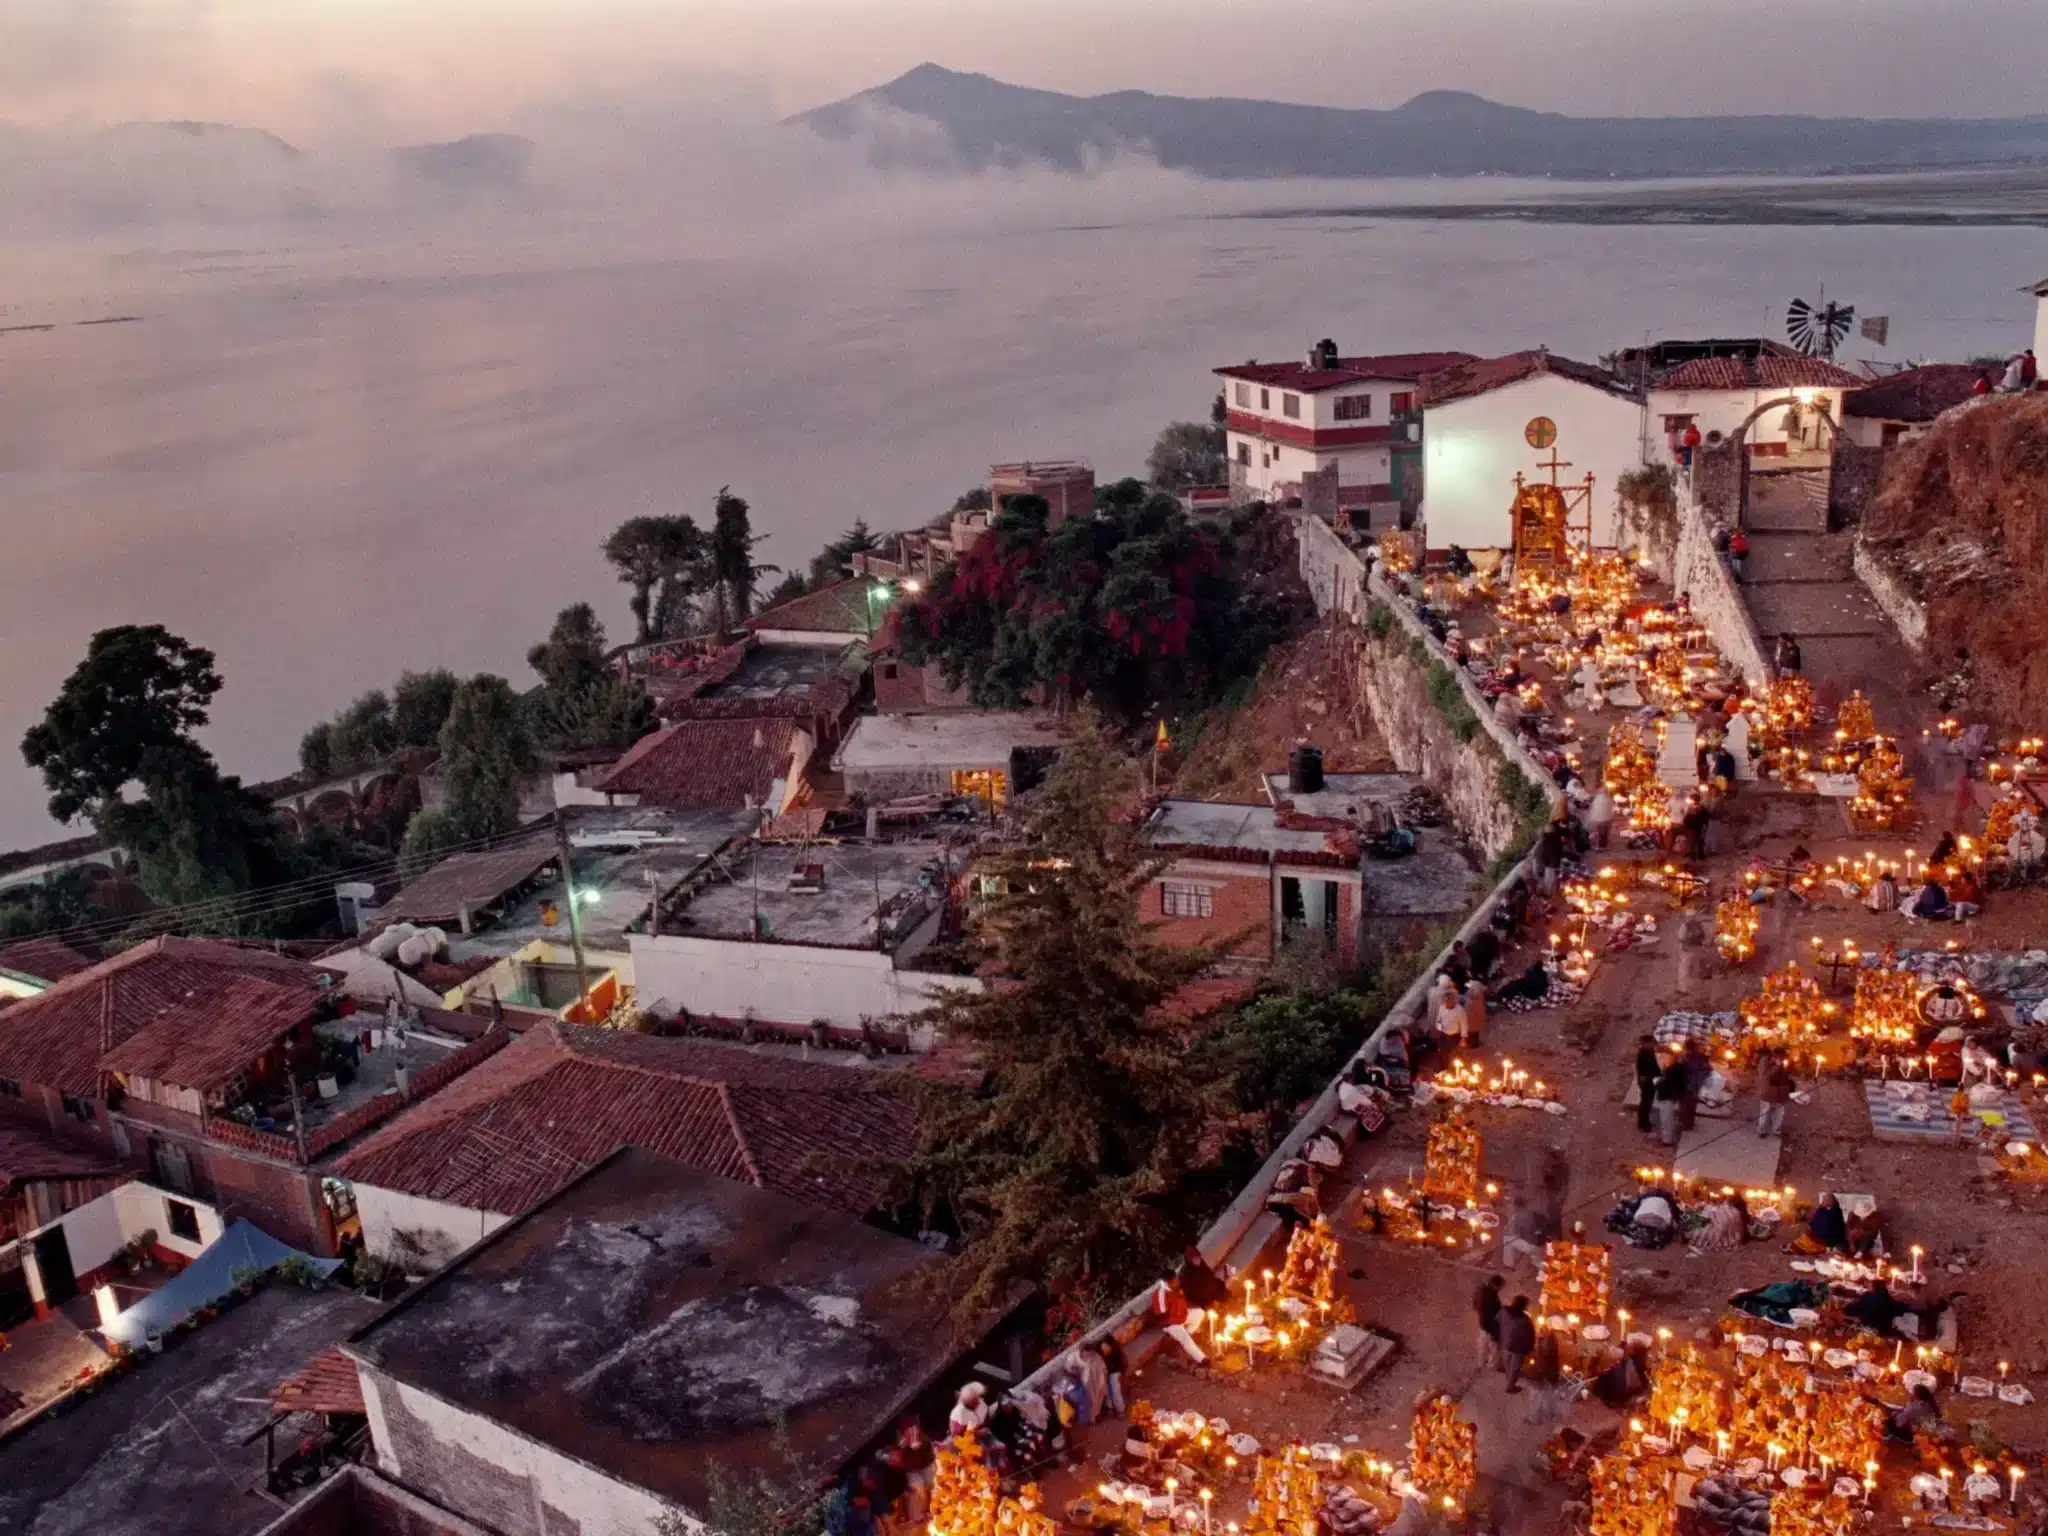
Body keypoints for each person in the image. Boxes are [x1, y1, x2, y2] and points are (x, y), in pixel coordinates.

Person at [1147, 1276, 1209, 1366]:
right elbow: (1161, 1314)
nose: (1177, 1282)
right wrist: (1172, 1324)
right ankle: (1202, 1359)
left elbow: (1182, 1302)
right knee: (1185, 1338)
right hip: (1170, 1323)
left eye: (1176, 1280)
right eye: (1174, 1281)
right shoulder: (1160, 1294)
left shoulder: (1177, 1289)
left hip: (1182, 1317)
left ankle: (1188, 1334)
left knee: (1200, 1313)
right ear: (1168, 1283)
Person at [1589, 1339, 1652, 1408]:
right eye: (1628, 1347)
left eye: (1630, 1347)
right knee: (1604, 1377)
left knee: (1604, 1378)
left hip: (1625, 1391)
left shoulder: (1636, 1363)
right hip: (1621, 1388)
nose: (1627, 1349)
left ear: (1635, 1351)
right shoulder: (1629, 1360)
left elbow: (1636, 1379)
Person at [1497, 1296, 1537, 1393]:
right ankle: (1510, 1387)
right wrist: (1530, 1347)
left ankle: (1508, 1376)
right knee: (1515, 1367)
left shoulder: (1503, 1311)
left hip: (1505, 1343)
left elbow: (1496, 1322)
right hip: (1518, 1348)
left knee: (1507, 1362)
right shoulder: (1525, 1320)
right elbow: (1530, 1335)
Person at [1500, 1196, 1547, 1271]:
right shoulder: (1535, 1213)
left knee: (1507, 1239)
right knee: (1537, 1260)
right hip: (1544, 1246)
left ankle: (1508, 1265)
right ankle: (1543, 1265)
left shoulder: (1516, 1216)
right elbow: (1543, 1227)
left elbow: (1511, 1232)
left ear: (1516, 1206)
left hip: (1532, 1247)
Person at [1177, 1246, 1230, 1311]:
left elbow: (1210, 1275)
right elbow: (1192, 1293)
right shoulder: (1185, 1274)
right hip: (1200, 1297)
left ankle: (1229, 1304)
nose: (1198, 1259)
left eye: (1198, 1257)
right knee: (1214, 1302)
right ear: (1190, 1260)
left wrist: (1219, 1285)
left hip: (1209, 1290)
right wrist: (1204, 1302)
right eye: (1195, 1258)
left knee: (1226, 1294)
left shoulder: (1201, 1263)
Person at [1654, 1053, 1689, 1147]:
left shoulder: (1676, 1069)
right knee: (1664, 1117)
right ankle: (1664, 1137)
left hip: (1667, 1095)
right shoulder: (1679, 1068)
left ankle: (1667, 1140)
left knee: (1666, 1118)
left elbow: (1671, 1081)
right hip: (1666, 1094)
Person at [1758, 1054, 1796, 1139]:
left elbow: (1788, 1074)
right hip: (1768, 1092)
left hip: (1781, 1092)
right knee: (1765, 1112)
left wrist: (1789, 1066)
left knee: (1779, 1113)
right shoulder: (1764, 1061)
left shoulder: (1785, 1061)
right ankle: (1762, 1130)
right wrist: (1777, 1066)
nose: (1782, 1059)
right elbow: (1766, 1075)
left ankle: (1776, 1130)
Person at [1475, 1274, 1505, 1370]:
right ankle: (1492, 1366)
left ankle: (1481, 1362)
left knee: (1482, 1343)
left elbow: (1475, 1303)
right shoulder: (1491, 1297)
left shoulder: (1482, 1290)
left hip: (1483, 1322)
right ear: (1496, 1285)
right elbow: (1495, 1311)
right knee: (1494, 1346)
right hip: (1490, 1324)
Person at [1635, 1036, 1663, 1134]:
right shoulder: (1643, 1054)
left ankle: (1645, 1121)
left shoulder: (1650, 1052)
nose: (1653, 1045)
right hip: (1646, 1081)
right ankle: (1643, 1123)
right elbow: (1643, 1069)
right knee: (1645, 1102)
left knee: (1648, 1101)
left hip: (1650, 1080)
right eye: (1651, 1043)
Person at [1096, 1337, 1129, 1417]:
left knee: (1115, 1390)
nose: (1105, 1351)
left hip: (1115, 1372)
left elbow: (1123, 1365)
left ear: (1111, 1346)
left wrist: (1121, 1375)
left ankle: (1120, 1410)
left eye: (1107, 1349)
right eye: (1103, 1349)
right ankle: (1110, 1407)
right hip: (1105, 1372)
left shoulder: (1117, 1354)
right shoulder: (1100, 1350)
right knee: (1106, 1390)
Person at [1587, 786, 1615, 850]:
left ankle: (1599, 845)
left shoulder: (1596, 800)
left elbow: (1593, 810)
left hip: (1598, 820)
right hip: (1607, 820)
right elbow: (1612, 810)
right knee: (1604, 832)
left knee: (1599, 832)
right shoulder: (1609, 799)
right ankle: (1603, 844)